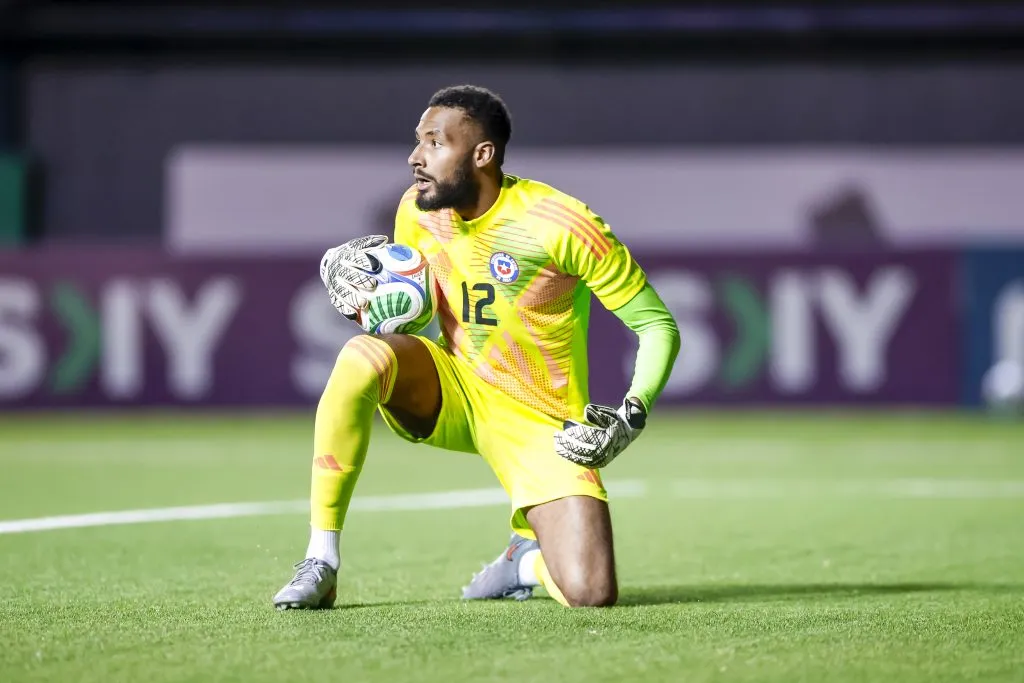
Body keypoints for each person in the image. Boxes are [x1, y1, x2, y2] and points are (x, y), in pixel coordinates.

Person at [273, 85, 680, 609]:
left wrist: (631, 415)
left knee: (591, 593)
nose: (415, 157)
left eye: (434, 143)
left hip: (540, 422)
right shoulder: (416, 211)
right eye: (418, 141)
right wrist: (376, 306)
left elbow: (657, 325)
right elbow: (417, 318)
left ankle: (523, 563)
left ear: (482, 153)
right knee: (362, 356)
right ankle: (321, 561)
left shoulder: (559, 224)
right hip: (458, 389)